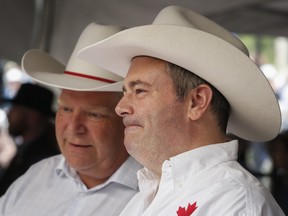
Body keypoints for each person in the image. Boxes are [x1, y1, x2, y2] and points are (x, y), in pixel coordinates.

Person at [78, 6, 285, 215]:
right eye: (125, 92)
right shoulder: (149, 195)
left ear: (196, 102)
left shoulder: (236, 203)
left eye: (140, 91)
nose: (120, 107)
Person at [0, 23, 142, 215]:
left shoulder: (154, 194)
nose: (73, 127)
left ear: (128, 120)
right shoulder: (36, 175)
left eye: (94, 114)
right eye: (66, 109)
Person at [0, 82, 59, 195]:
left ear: (32, 116)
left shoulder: (45, 159)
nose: (9, 114)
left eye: (14, 108)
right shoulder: (27, 150)